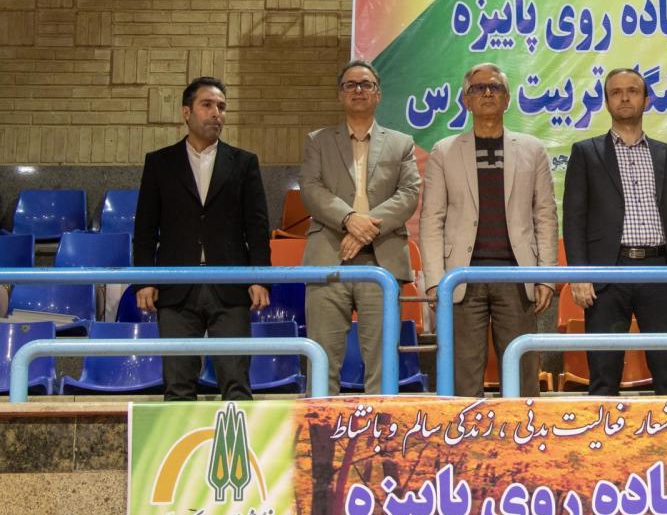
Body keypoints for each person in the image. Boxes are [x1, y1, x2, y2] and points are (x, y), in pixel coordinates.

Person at [420, 63, 557, 397]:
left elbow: (545, 216)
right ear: (466, 100)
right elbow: (431, 219)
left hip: (517, 275)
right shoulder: (444, 151)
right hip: (461, 278)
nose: (487, 93)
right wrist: (435, 281)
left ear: (507, 99)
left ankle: (522, 429)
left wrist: (546, 277)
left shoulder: (532, 149)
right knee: (463, 376)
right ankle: (466, 432)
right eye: (478, 88)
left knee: (522, 376)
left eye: (495, 87)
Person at [133, 76, 271, 401]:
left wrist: (260, 277)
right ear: (186, 112)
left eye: (221, 106)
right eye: (207, 105)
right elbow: (145, 228)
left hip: (231, 285)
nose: (216, 113)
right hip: (176, 286)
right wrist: (144, 279)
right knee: (178, 386)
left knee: (236, 384)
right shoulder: (159, 162)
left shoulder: (244, 162)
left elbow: (257, 226)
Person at [562, 67, 667, 396]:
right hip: (607, 274)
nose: (624, 98)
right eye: (616, 92)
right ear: (606, 102)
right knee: (603, 376)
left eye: (632, 91)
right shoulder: (586, 152)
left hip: (660, 272)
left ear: (646, 100)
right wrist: (579, 274)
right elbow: (574, 219)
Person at [299, 60, 422, 395]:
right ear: (340, 94)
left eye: (366, 84)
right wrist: (349, 219)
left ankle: (379, 426)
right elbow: (310, 189)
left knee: (382, 362)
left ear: (378, 94)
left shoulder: (400, 143)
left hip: (382, 262)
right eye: (350, 84)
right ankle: (321, 426)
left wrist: (365, 230)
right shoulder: (318, 141)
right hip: (329, 259)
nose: (358, 90)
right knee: (322, 360)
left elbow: (409, 194)